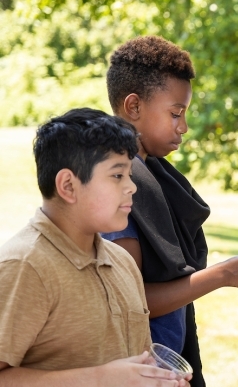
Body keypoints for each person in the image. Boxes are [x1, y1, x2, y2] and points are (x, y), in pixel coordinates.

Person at [103, 35, 238, 387]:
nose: (183, 127)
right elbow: (133, 301)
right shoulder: (116, 186)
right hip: (134, 369)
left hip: (165, 366)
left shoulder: (153, 174)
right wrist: (224, 274)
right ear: (133, 106)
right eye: (175, 113)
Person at [0, 108, 188, 386]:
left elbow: (134, 363)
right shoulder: (24, 267)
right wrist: (99, 379)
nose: (131, 187)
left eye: (130, 174)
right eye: (117, 176)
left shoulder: (122, 262)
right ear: (68, 185)